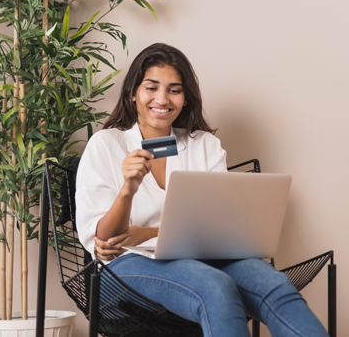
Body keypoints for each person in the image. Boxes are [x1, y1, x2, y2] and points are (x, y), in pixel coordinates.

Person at [75, 43, 328, 337]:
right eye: (151, 87)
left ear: (185, 98)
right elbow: (108, 242)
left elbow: (217, 229)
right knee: (214, 286)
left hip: (205, 256)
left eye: (174, 89)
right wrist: (128, 189)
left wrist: (146, 232)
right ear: (133, 93)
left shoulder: (204, 145)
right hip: (126, 265)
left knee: (276, 285)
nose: (162, 99)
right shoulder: (106, 145)